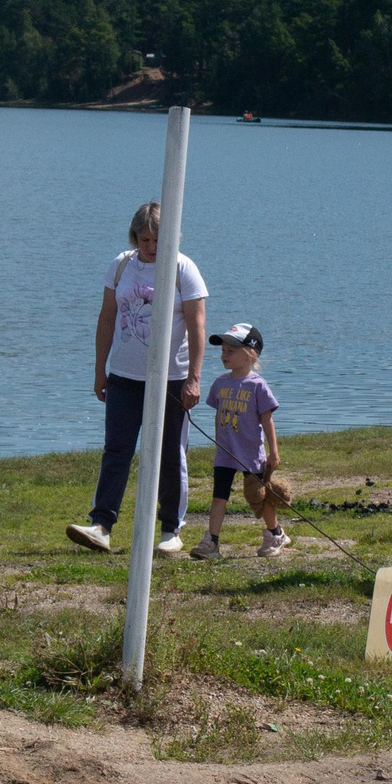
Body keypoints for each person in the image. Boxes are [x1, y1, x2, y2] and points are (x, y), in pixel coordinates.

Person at [67, 201, 207, 556]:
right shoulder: (121, 265)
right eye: (144, 239)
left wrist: (193, 378)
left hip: (170, 379)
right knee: (116, 449)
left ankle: (170, 529)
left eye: (158, 240)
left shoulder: (183, 269)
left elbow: (197, 325)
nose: (150, 247)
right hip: (124, 376)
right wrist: (101, 369)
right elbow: (107, 318)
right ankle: (101, 525)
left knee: (169, 453)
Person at [192, 323, 287, 560]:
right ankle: (211, 541)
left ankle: (275, 533)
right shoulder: (220, 383)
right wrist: (218, 441)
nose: (224, 355)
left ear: (250, 353)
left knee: (257, 496)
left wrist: (273, 452)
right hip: (225, 452)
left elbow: (267, 421)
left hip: (250, 452)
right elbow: (218, 416)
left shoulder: (258, 386)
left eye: (230, 351)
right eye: (223, 351)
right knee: (219, 496)